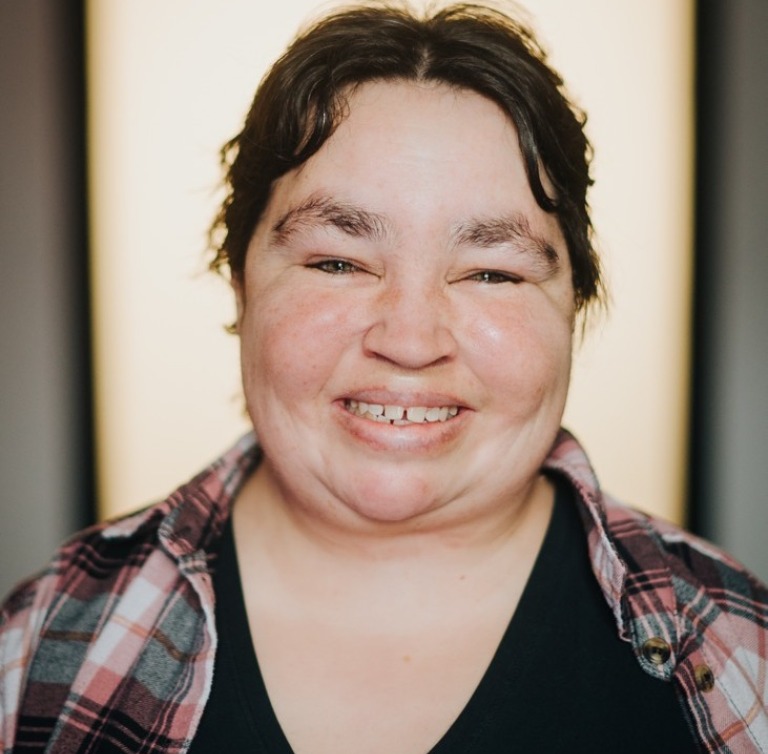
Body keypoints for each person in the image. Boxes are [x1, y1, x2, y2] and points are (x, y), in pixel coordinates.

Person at [2, 3, 767, 752]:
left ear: (574, 305)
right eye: (337, 262)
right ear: (240, 286)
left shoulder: (739, 648)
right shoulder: (43, 647)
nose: (409, 339)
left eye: (491, 273)